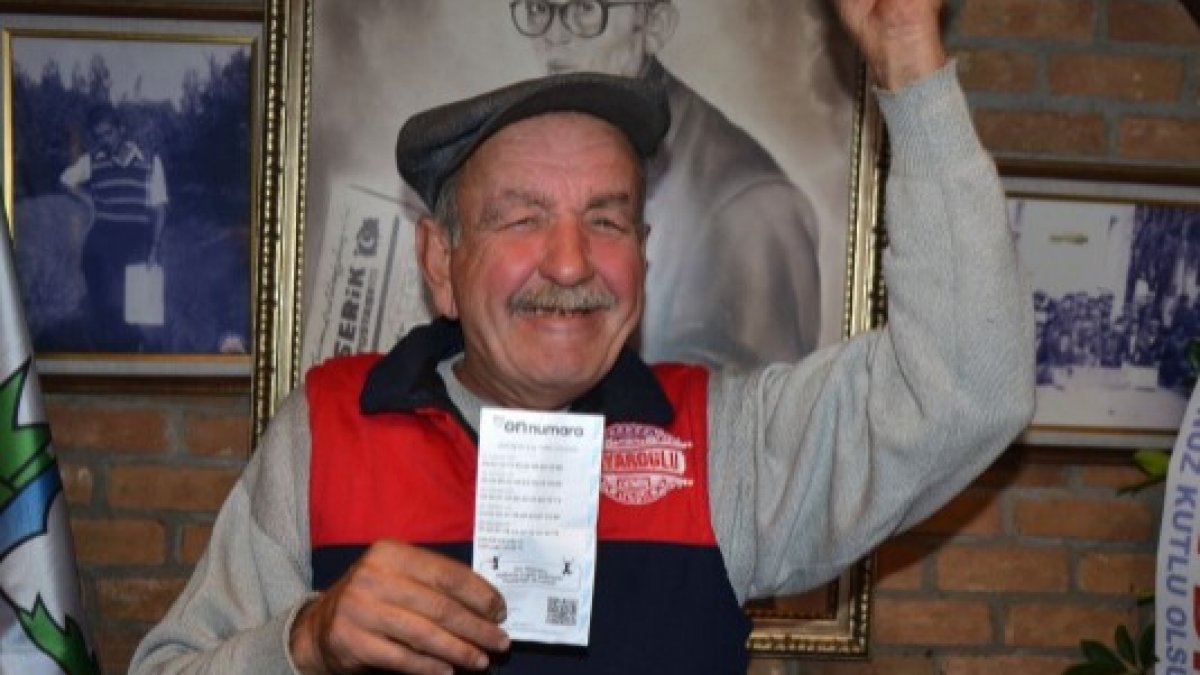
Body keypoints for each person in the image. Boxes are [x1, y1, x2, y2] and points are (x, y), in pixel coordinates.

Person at [131, 0, 1035, 672]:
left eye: (605, 219)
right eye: (522, 217)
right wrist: (306, 642)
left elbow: (967, 389)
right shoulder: (329, 428)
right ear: (441, 260)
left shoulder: (726, 445)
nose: (570, 263)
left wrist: (909, 59)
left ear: (643, 251)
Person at [509, 0, 822, 368]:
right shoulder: (539, 156)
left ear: (654, 24)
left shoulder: (749, 205)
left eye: (585, 10)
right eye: (539, 9)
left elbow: (732, 395)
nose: (555, 35)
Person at [60, 103, 169, 352]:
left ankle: (132, 351)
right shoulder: (93, 161)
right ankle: (113, 352)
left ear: (121, 129)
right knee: (106, 306)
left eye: (108, 133)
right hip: (102, 239)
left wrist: (154, 248)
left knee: (135, 308)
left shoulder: (149, 161)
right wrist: (87, 199)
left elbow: (160, 208)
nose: (105, 141)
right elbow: (64, 180)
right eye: (98, 137)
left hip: (136, 239)